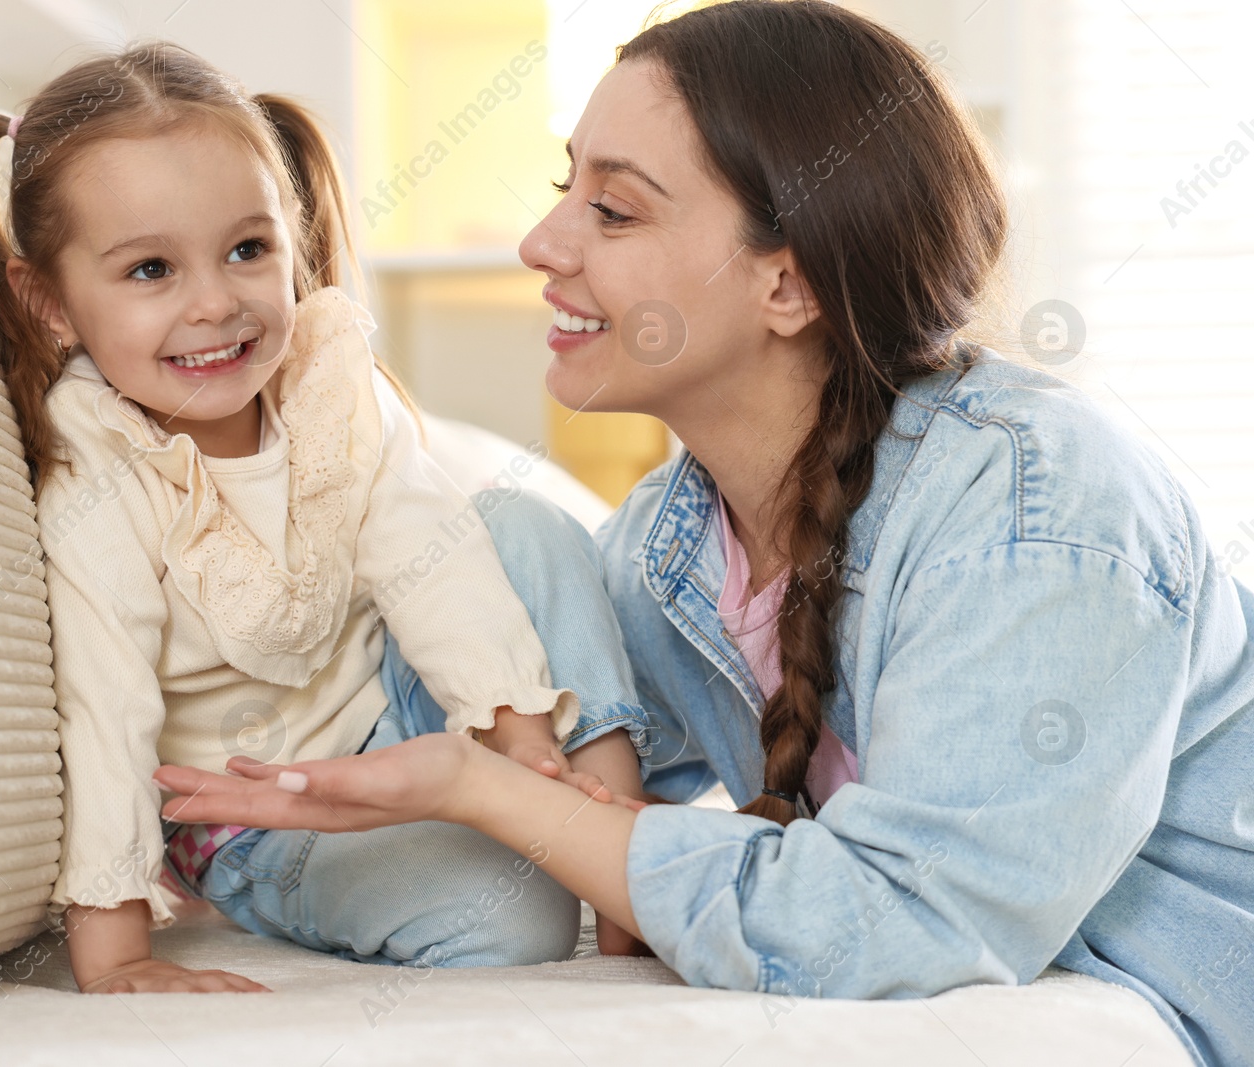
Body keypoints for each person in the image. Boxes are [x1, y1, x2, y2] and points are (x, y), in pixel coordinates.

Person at [152, 3, 1254, 1064]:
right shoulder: (664, 547)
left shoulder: (1042, 510)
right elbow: (565, 776)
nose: (542, 242)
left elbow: (899, 920)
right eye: (561, 189)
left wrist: (479, 786)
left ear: (788, 282)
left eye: (615, 211)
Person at [0, 41, 650, 996]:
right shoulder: (100, 466)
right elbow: (101, 706)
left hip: (406, 714)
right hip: (265, 808)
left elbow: (432, 560)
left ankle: (624, 849)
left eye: (247, 249)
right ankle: (558, 855)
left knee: (519, 521)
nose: (216, 302)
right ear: (50, 302)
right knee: (511, 918)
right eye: (150, 269)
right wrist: (116, 956)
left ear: (291, 241)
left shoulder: (328, 381)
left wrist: (521, 744)